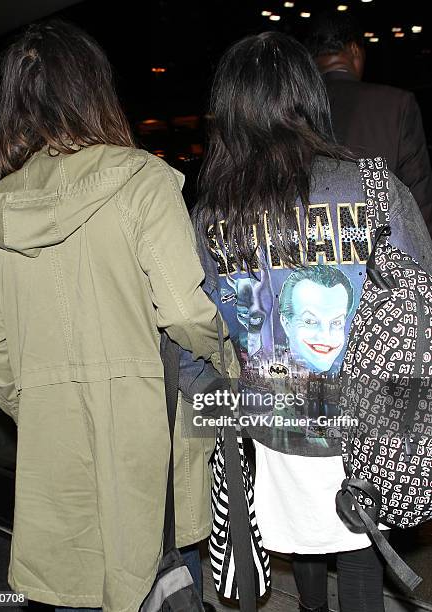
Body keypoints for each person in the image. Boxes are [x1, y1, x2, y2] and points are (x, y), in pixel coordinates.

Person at [0, 19, 233, 612]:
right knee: (163, 578)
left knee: (74, 584)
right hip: (147, 438)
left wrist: (43, 399)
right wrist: (225, 363)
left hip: (53, 444)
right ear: (94, 91)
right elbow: (186, 311)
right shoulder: (141, 183)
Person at [182, 31, 432, 612]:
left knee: (305, 546)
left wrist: (216, 395)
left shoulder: (212, 212)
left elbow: (190, 326)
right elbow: (420, 296)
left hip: (274, 426)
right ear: (309, 97)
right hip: (367, 419)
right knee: (361, 549)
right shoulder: (374, 187)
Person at [305, 11, 432, 233]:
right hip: (380, 257)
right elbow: (419, 203)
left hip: (309, 259)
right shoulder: (397, 105)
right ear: (355, 49)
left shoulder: (292, 108)